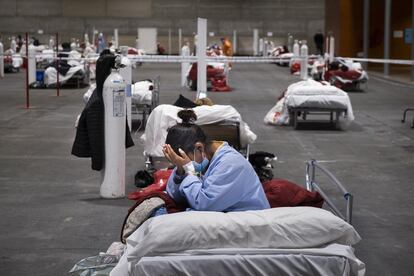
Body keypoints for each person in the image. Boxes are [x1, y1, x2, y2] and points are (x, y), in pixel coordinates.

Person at [161, 109, 270, 213]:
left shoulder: (231, 164)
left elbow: (204, 204)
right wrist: (180, 171)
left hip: (248, 223)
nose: (184, 164)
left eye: (184, 161)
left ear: (199, 148)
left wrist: (188, 171)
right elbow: (174, 195)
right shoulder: (199, 158)